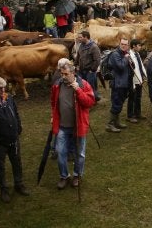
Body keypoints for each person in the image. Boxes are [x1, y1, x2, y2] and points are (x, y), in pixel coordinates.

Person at [50, 62, 95, 190]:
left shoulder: (83, 84)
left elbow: (89, 102)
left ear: (73, 73)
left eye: (66, 74)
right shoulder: (57, 85)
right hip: (62, 126)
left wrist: (78, 90)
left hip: (78, 125)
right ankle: (64, 176)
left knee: (79, 154)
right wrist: (53, 115)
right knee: (60, 152)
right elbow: (53, 101)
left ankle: (77, 175)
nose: (63, 76)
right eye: (61, 73)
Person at [106, 37, 132, 133]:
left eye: (125, 44)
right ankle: (110, 124)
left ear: (128, 45)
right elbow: (120, 66)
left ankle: (116, 122)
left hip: (124, 82)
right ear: (119, 44)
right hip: (117, 83)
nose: (123, 46)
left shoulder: (125, 53)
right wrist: (126, 59)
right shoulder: (115, 54)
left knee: (120, 103)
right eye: (122, 44)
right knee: (116, 103)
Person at [75, 30, 101, 102]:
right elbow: (78, 56)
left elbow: (97, 60)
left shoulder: (94, 47)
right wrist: (75, 64)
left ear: (86, 37)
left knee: (91, 87)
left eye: (80, 37)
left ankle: (93, 100)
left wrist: (92, 70)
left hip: (90, 72)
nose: (78, 39)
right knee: (83, 86)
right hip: (81, 70)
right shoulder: (81, 45)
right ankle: (87, 100)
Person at [127, 39, 147, 123]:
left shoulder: (137, 54)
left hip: (140, 79)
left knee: (138, 97)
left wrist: (145, 75)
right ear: (134, 46)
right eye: (139, 45)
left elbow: (141, 66)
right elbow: (131, 69)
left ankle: (137, 113)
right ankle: (130, 115)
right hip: (133, 80)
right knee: (132, 97)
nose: (140, 47)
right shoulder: (129, 56)